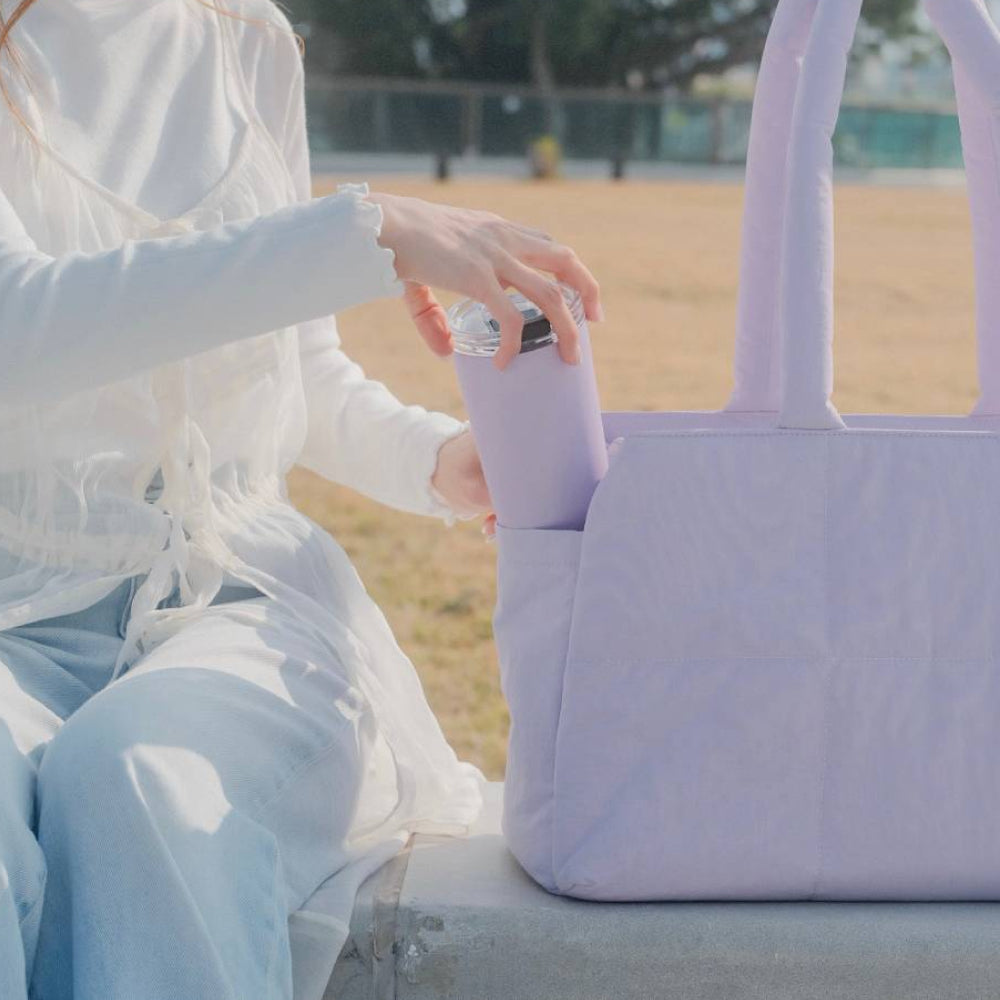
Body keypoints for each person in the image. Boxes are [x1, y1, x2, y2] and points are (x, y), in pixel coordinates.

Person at [0, 0, 603, 998]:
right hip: (17, 611)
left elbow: (294, 367)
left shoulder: (248, 38)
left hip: (239, 599)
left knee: (141, 772)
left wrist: (435, 457)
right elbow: (19, 326)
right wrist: (367, 230)